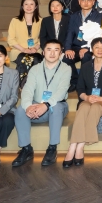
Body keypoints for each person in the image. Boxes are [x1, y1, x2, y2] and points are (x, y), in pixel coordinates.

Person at [12, 39, 71, 167]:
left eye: (56, 50)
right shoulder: (35, 69)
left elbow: (61, 91)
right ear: (43, 52)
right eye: (49, 49)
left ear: (61, 53)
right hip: (36, 104)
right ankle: (26, 149)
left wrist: (46, 105)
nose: (52, 53)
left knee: (56, 108)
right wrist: (28, 106)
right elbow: (28, 89)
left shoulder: (66, 69)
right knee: (20, 110)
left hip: (56, 105)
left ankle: (52, 148)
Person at [64, 38, 102, 167]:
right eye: (96, 47)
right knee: (83, 107)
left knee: (95, 107)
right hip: (88, 99)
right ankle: (73, 146)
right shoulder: (86, 66)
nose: (100, 50)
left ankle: (80, 146)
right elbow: (80, 87)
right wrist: (87, 98)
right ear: (92, 49)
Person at [63, 0, 102, 91]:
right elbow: (70, 33)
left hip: (90, 47)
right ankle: (75, 82)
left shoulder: (99, 16)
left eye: (89, 0)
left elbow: (97, 35)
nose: (86, 3)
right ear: (79, 2)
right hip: (76, 47)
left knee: (86, 57)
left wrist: (87, 48)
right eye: (83, 0)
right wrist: (67, 49)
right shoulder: (73, 16)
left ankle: (83, 83)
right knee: (66, 58)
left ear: (93, 2)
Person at [7, 0, 42, 80]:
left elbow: (43, 38)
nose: (29, 7)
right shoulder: (15, 21)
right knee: (26, 58)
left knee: (35, 58)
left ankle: (25, 83)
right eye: (26, 4)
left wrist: (36, 48)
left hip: (35, 50)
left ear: (36, 7)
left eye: (31, 4)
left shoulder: (41, 21)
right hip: (19, 50)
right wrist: (23, 49)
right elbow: (11, 39)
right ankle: (25, 84)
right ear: (22, 6)